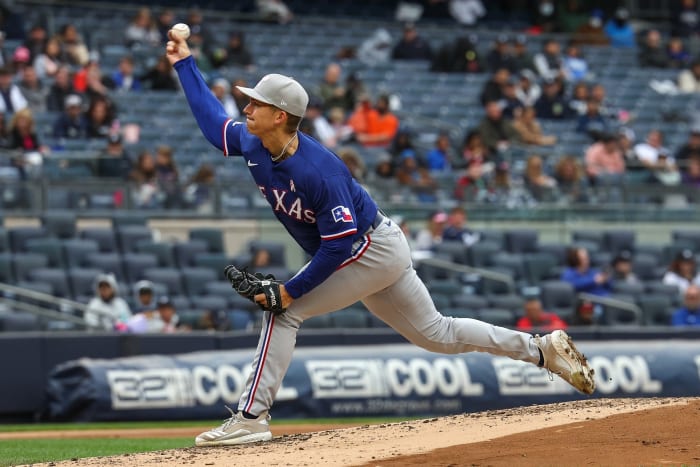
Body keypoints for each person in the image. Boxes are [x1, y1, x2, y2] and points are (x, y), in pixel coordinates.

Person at [165, 28, 595, 446]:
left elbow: (337, 245)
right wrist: (185, 62)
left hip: (369, 247)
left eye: (256, 102)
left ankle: (251, 418)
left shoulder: (320, 169)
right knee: (438, 334)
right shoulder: (254, 143)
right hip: (367, 249)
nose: (247, 106)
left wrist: (290, 290)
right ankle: (541, 349)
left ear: (280, 116)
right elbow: (212, 126)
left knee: (283, 311)